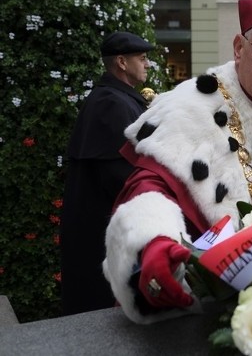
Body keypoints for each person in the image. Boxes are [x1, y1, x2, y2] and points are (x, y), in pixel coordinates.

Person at [102, 0, 252, 324]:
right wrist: (154, 241)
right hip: (209, 302)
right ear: (239, 48)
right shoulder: (191, 107)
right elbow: (147, 185)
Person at [62, 31, 154, 315]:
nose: (148, 64)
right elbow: (125, 176)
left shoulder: (116, 97)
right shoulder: (111, 103)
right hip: (102, 233)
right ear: (121, 63)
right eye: (142, 58)